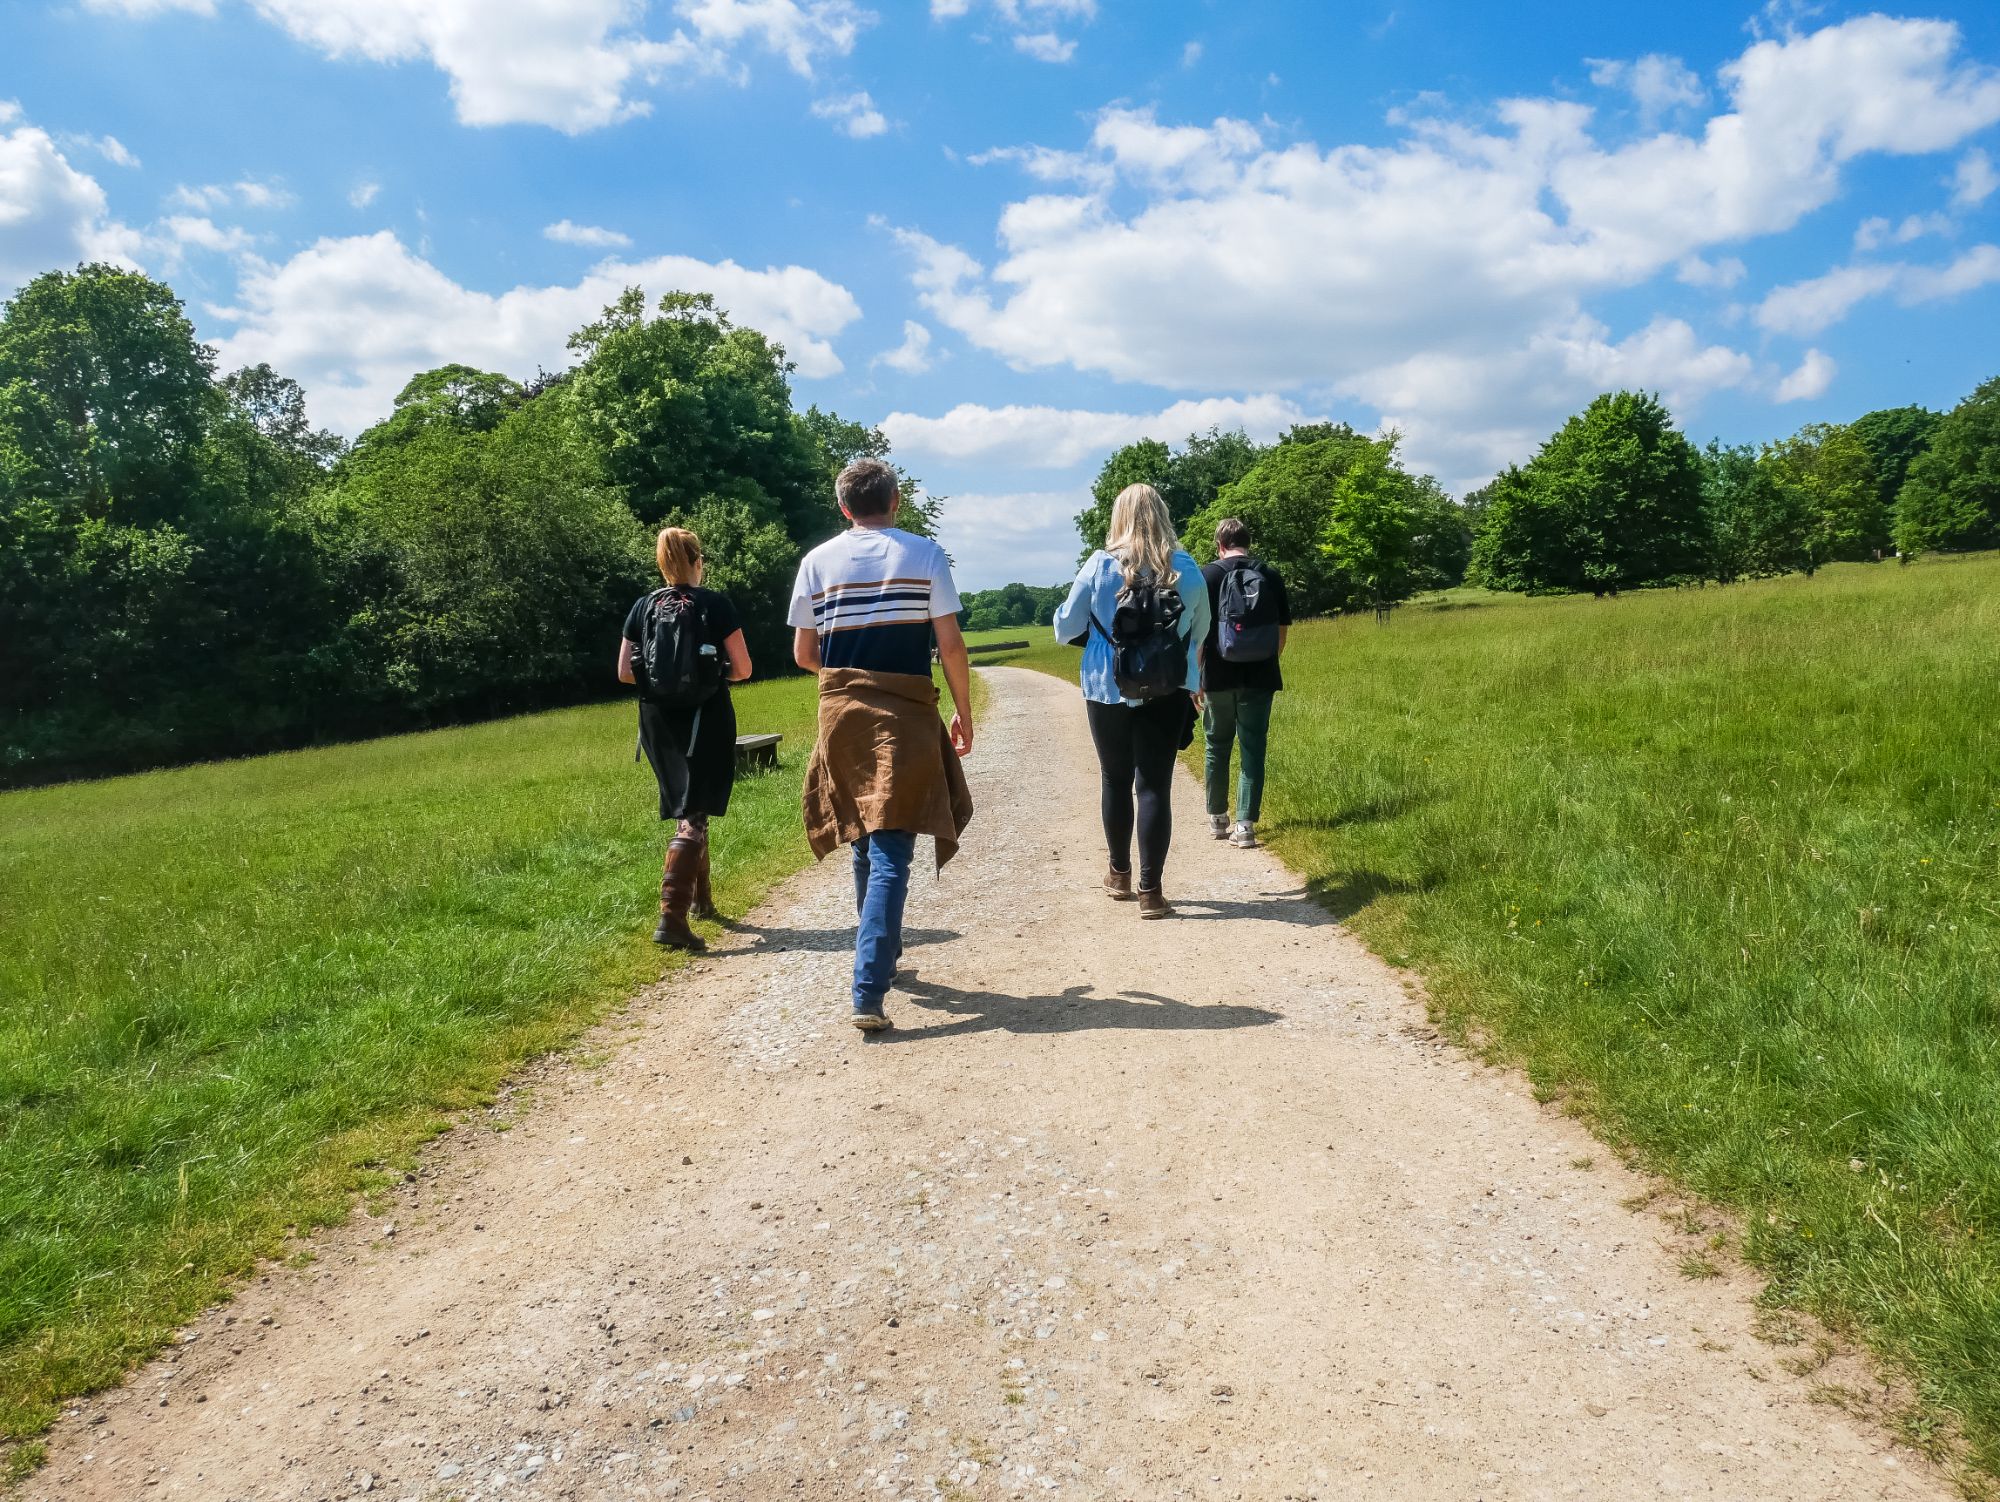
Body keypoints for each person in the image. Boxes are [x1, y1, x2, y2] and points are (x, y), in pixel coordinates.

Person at [789, 458, 975, 1033]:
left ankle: (886, 955)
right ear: (895, 501)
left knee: (868, 839)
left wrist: (852, 677)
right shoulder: (924, 554)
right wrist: (962, 712)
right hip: (907, 711)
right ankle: (867, 987)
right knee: (893, 842)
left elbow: (803, 654)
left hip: (841, 713)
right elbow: (949, 644)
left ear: (844, 508)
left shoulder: (817, 561)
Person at [1052, 483, 1210, 919]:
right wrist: (1194, 684)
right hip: (1166, 684)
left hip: (1107, 685)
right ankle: (1151, 892)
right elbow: (1200, 632)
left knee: (1115, 779)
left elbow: (1065, 628)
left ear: (1118, 517)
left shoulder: (1100, 566)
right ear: (1162, 515)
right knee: (1155, 784)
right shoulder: (1187, 570)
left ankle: (1119, 874)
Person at [619, 527, 753, 951]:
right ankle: (671, 918)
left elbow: (625, 672)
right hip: (705, 718)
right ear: (698, 562)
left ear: (662, 563)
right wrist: (714, 675)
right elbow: (744, 669)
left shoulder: (643, 607)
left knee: (688, 806)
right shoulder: (715, 604)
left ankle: (702, 903)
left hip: (657, 722)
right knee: (693, 814)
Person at [1199, 517, 1291, 849]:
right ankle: (1246, 826)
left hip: (1218, 676)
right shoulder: (1269, 574)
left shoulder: (1207, 576)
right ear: (1247, 542)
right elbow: (1282, 630)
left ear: (1219, 544)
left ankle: (1217, 817)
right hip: (1261, 676)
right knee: (1253, 746)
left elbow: (1198, 635)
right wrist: (1269, 660)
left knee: (1216, 744)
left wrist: (1196, 677)